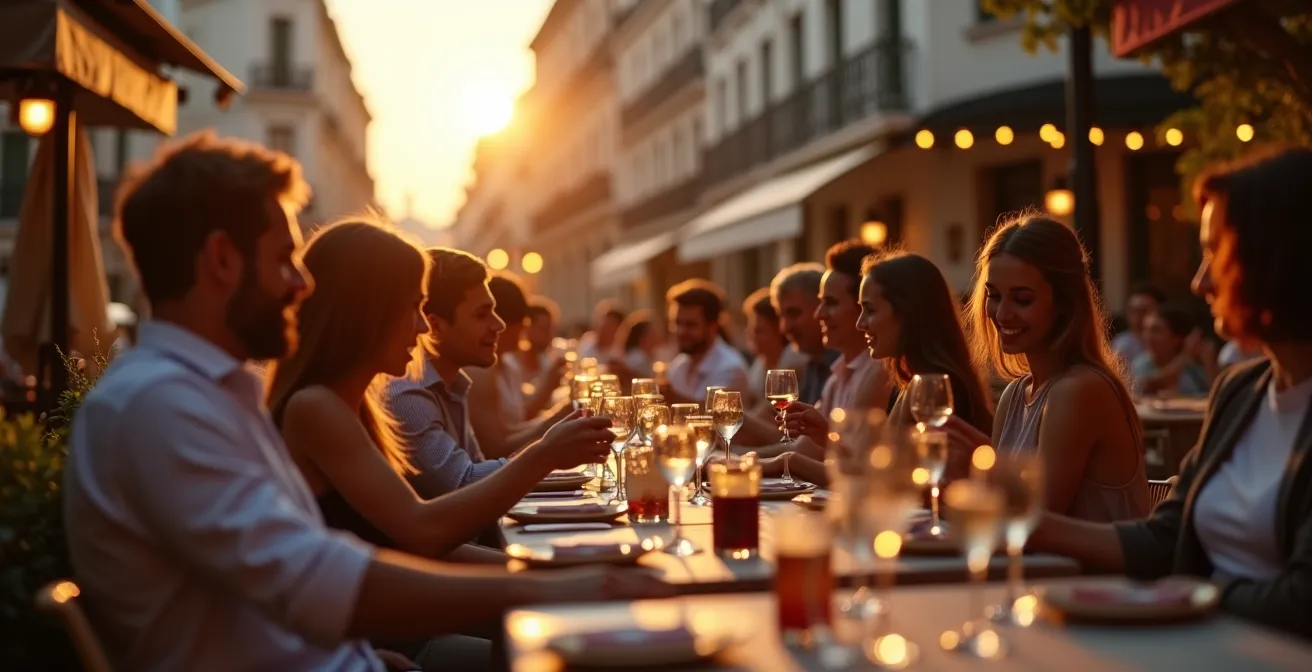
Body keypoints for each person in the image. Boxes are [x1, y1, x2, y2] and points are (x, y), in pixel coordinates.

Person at [63, 132, 671, 671]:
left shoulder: (204, 396)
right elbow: (324, 579)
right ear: (221, 260)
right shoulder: (159, 408)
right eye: (284, 261)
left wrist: (351, 653)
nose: (302, 286)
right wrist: (551, 586)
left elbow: (299, 575)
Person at [1028, 147, 1312, 640]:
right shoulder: (1242, 390)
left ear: (1278, 258)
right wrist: (1024, 523)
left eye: (1215, 252)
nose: (1200, 281)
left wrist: (1187, 593)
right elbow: (1167, 536)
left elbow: (1300, 602)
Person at [946, 212, 1150, 522]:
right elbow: (1000, 510)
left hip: (1096, 571)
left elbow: (1036, 518)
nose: (1002, 314)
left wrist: (980, 461)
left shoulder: (1080, 390)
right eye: (994, 296)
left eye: (1022, 299)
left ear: (1064, 304)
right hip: (1040, 568)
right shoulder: (1016, 394)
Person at [777, 250, 993, 485]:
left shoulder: (935, 389)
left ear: (906, 313)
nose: (861, 324)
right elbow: (882, 469)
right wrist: (827, 435)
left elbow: (890, 485)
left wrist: (791, 461)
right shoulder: (912, 381)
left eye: (870, 310)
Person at [465, 273, 570, 458]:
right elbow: (497, 447)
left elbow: (519, 419)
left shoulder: (508, 366)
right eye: (522, 322)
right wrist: (558, 418)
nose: (524, 330)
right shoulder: (477, 372)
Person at [663, 279, 750, 404]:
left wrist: (671, 398)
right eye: (677, 323)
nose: (680, 331)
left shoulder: (730, 368)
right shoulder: (679, 365)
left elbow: (718, 416)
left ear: (713, 326)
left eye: (690, 325)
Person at [771, 263, 839, 404]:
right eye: (781, 316)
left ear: (822, 308)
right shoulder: (813, 363)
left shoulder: (846, 366)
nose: (785, 328)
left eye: (794, 313)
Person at [1129, 305, 1215, 396]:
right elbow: (1142, 387)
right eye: (1146, 330)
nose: (1147, 337)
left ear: (1176, 338)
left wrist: (1209, 362)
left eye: (1156, 331)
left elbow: (1218, 396)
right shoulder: (1140, 365)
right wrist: (1185, 357)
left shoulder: (1196, 369)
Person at [742, 288, 806, 408]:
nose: (751, 336)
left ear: (779, 330)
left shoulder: (795, 360)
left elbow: (768, 411)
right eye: (750, 329)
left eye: (759, 331)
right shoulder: (761, 362)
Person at [1112, 283, 1166, 366]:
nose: (1137, 318)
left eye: (1144, 311)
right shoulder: (1123, 345)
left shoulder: (1172, 341)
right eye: (1133, 312)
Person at [519, 297, 561, 383]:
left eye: (551, 329)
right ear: (528, 329)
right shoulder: (513, 364)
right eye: (544, 329)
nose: (550, 335)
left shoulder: (545, 360)